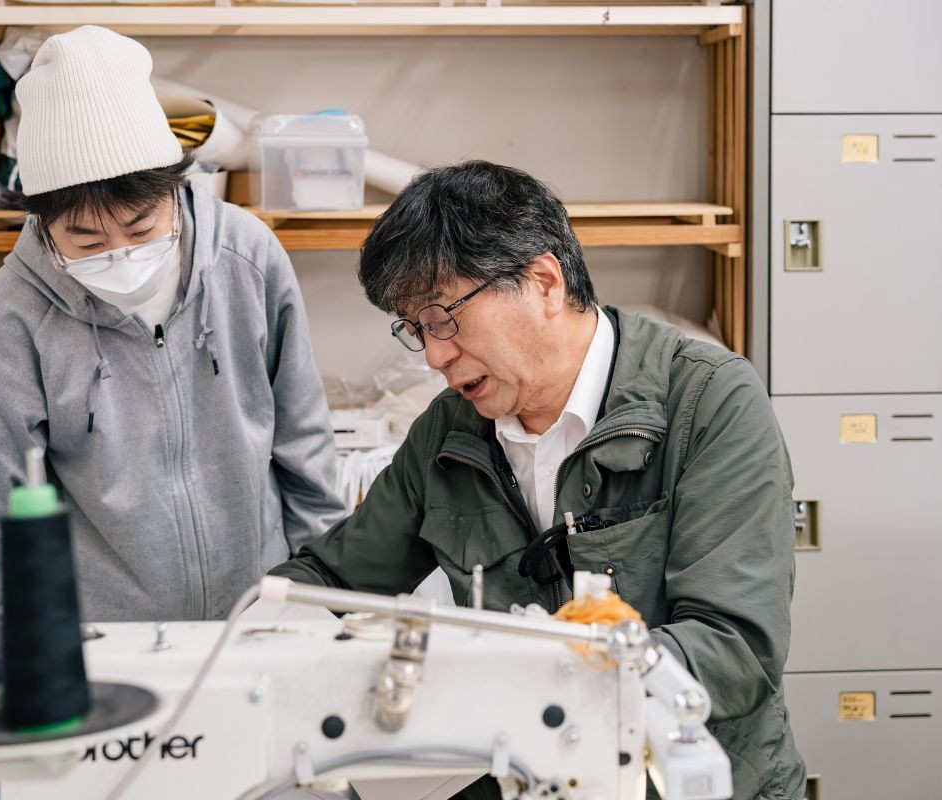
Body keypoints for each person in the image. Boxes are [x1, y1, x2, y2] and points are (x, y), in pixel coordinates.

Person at [270, 160, 805, 799]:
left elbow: (734, 647)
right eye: (417, 330)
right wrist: (259, 635)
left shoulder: (708, 400)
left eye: (444, 317)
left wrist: (542, 677)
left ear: (543, 283)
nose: (435, 355)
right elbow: (328, 580)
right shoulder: (449, 431)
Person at [0, 25, 344, 623]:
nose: (121, 254)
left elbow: (305, 447)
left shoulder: (248, 258)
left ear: (176, 185)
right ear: (40, 221)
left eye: (141, 230)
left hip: (260, 615)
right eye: (86, 240)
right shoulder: (10, 321)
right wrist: (8, 667)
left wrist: (328, 602)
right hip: (107, 640)